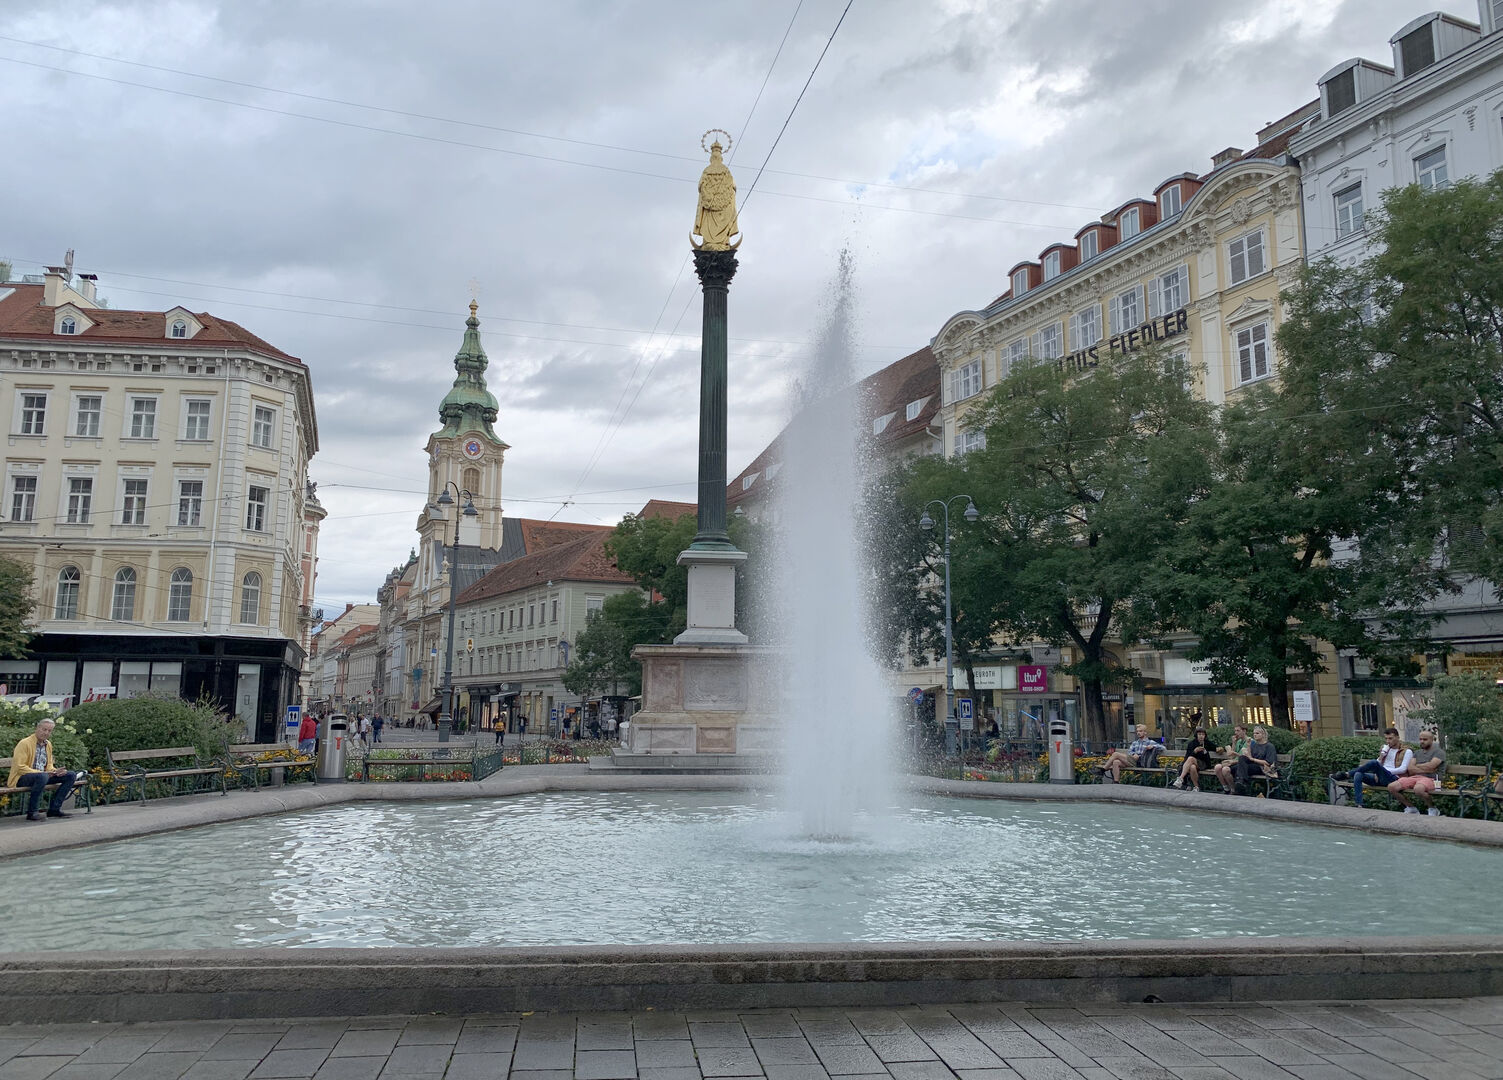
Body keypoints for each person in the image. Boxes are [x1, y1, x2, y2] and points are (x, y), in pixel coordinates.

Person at [8, 719, 81, 821]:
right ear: (37, 728)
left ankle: (54, 810)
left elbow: (48, 765)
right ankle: (32, 812)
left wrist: (55, 772)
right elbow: (20, 767)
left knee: (71, 775)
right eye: (44, 729)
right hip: (22, 778)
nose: (46, 733)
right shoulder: (24, 743)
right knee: (42, 776)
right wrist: (43, 773)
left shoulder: (48, 744)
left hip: (43, 776)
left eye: (49, 731)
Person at [1334, 727, 1412, 808]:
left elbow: (1403, 769)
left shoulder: (1407, 751)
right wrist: (1381, 756)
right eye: (1386, 739)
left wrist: (1383, 770)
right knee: (1358, 774)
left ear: (1398, 737)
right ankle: (1359, 804)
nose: (1388, 741)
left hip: (1394, 780)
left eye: (1390, 738)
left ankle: (1348, 774)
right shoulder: (1386, 749)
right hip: (1379, 778)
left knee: (1374, 762)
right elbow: (1378, 763)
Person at [1388, 729, 1445, 815]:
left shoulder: (1439, 752)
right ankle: (1411, 808)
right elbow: (1410, 768)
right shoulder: (1417, 753)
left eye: (1425, 739)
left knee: (1418, 789)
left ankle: (1432, 808)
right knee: (1392, 787)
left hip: (1432, 779)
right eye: (1420, 739)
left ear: (1432, 740)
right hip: (1415, 777)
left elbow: (1431, 766)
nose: (1422, 741)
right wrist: (1426, 767)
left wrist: (1417, 766)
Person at [1231, 724, 1280, 795]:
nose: (1255, 735)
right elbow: (1249, 757)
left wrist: (1253, 759)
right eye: (1254, 733)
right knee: (1237, 763)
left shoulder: (1269, 746)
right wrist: (1248, 745)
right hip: (1252, 765)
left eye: (1257, 733)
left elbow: (1268, 762)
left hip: (1262, 768)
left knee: (1239, 768)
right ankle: (1241, 783)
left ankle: (1242, 784)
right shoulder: (1254, 745)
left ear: (1263, 735)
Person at [1212, 724, 1251, 794]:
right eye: (1235, 731)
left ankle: (1233, 789)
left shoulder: (1249, 741)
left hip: (1241, 765)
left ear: (1244, 731)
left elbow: (1246, 757)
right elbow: (1231, 756)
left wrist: (1234, 756)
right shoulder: (1238, 741)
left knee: (1225, 770)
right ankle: (1226, 788)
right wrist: (1234, 743)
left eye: (1238, 731)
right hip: (1234, 762)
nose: (1236, 733)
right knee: (1217, 767)